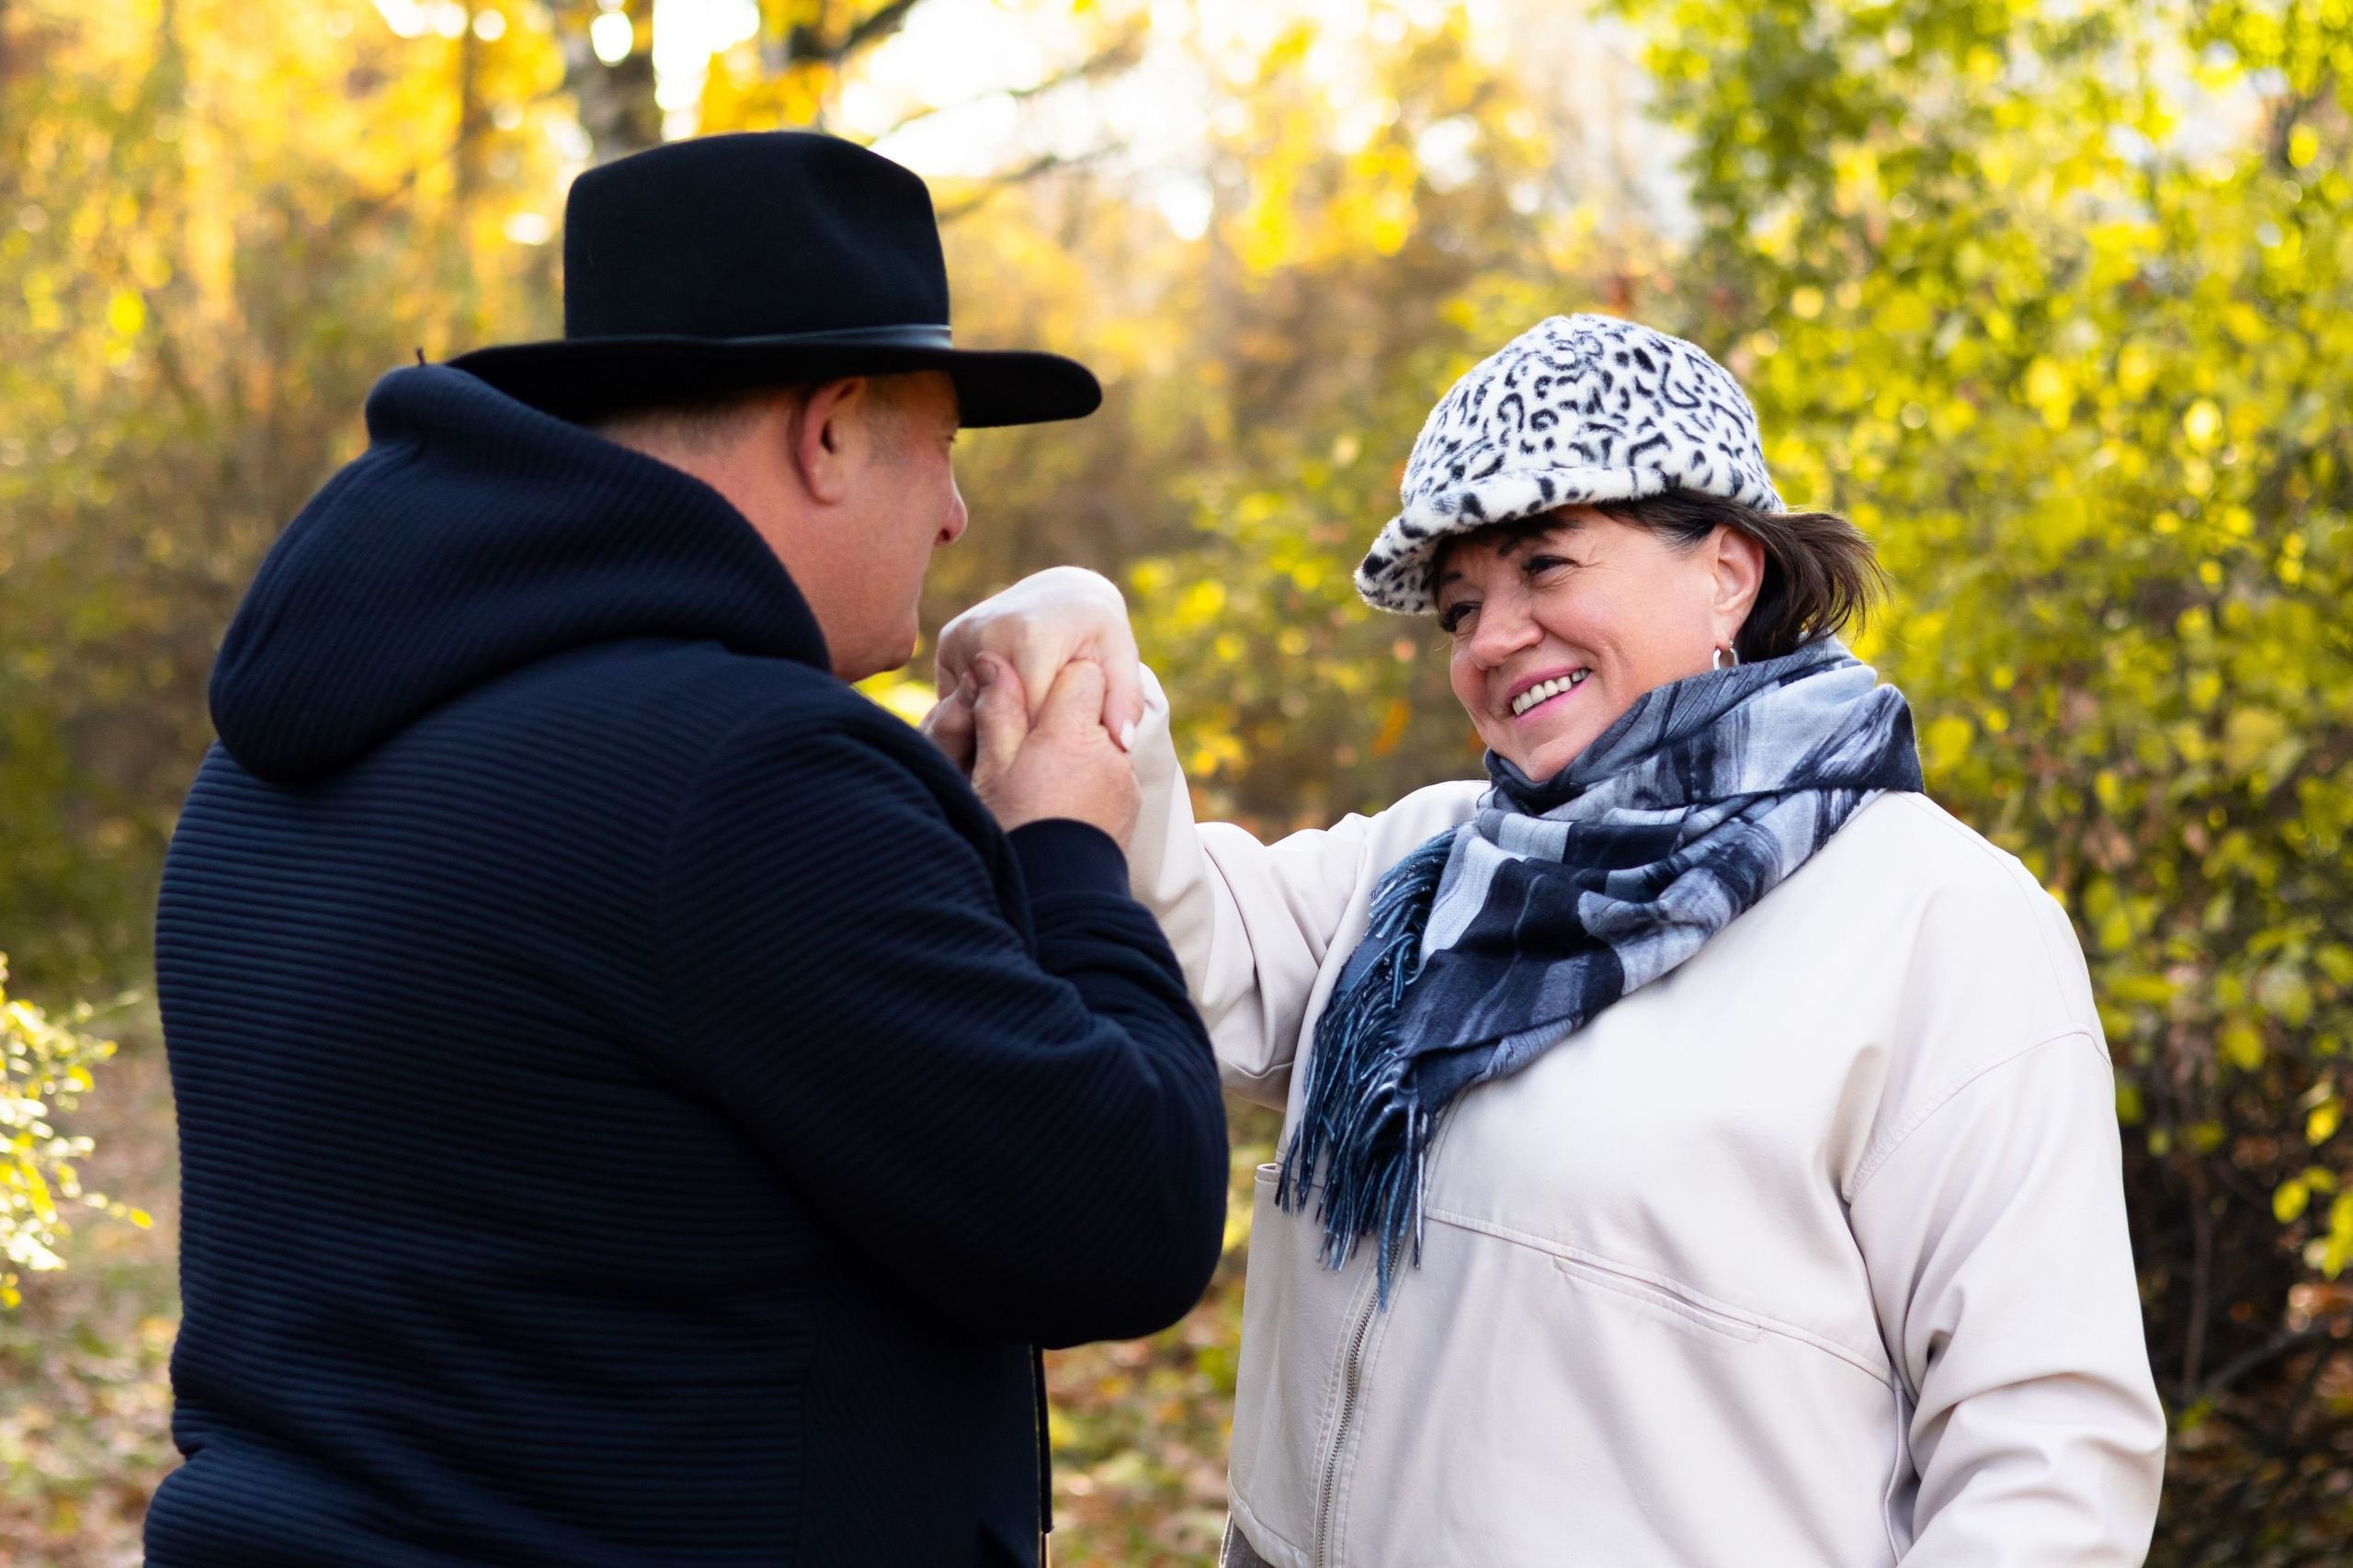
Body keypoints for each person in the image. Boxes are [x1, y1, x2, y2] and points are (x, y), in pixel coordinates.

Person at [149, 131, 1229, 1568]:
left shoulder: (275, 751)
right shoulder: (750, 777)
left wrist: (927, 845)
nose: (955, 516)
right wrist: (1064, 847)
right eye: (944, 451)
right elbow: (1126, 1213)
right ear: (829, 431)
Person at [931, 314, 2167, 1567]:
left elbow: (2048, 1460)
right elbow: (1184, 944)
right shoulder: (1431, 865)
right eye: (1461, 606)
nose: (1491, 639)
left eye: (1546, 566)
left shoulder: (1933, 918)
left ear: (1728, 570)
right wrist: (1083, 685)